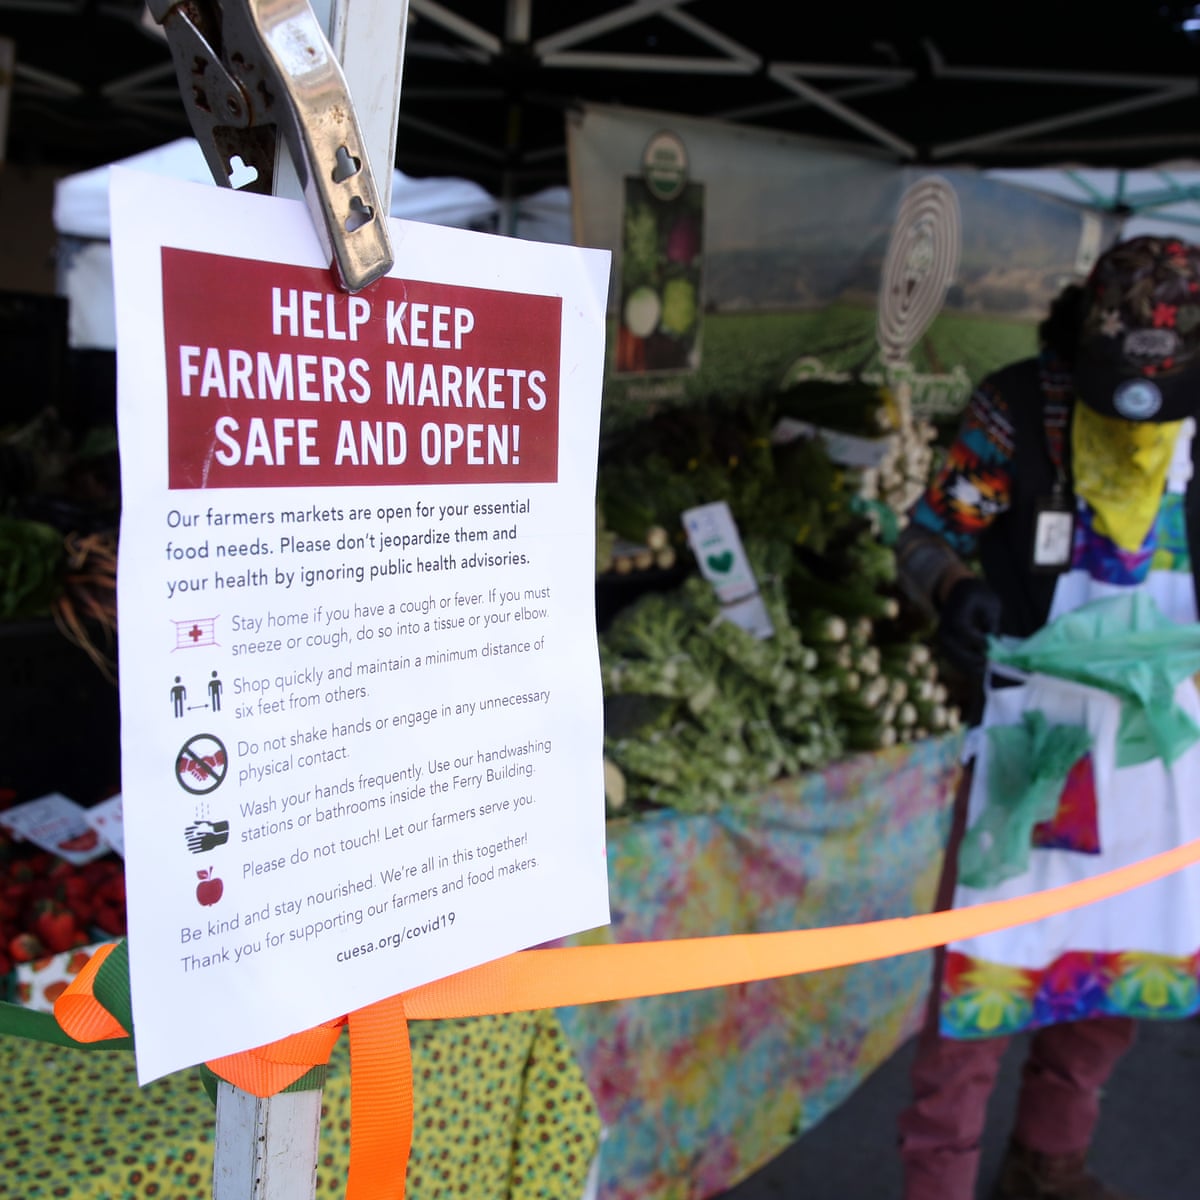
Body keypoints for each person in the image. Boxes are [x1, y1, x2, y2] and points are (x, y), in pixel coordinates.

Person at [894, 235, 1200, 1200]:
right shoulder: (1019, 406)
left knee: (1115, 970)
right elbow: (928, 535)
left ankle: (1048, 1165)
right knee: (979, 985)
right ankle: (936, 1185)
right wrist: (950, 591)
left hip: (1162, 754)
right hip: (1037, 743)